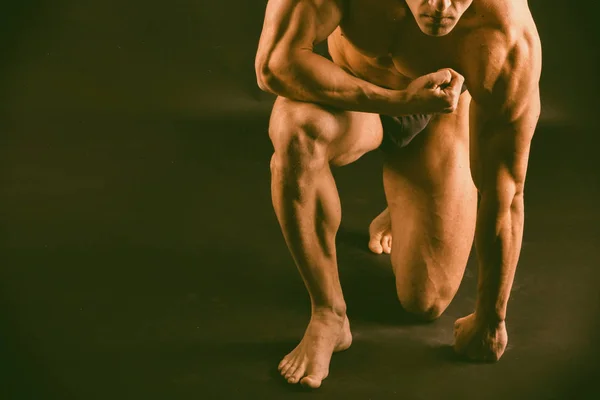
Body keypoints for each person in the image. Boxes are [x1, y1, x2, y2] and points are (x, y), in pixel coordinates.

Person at [254, 0, 541, 389]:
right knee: (295, 136)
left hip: (439, 112)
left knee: (424, 302)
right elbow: (274, 64)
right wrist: (398, 101)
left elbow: (506, 187)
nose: (440, 7)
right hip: (349, 94)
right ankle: (328, 313)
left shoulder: (504, 31)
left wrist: (491, 319)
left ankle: (402, 203)